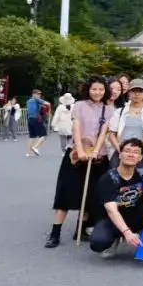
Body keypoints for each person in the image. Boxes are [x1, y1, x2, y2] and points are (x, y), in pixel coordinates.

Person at [46, 77, 112, 247]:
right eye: (94, 89)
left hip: (98, 156)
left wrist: (97, 150)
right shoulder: (79, 106)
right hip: (75, 154)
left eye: (101, 89)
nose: (97, 92)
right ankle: (55, 232)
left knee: (90, 194)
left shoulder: (108, 109)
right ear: (88, 90)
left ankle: (80, 229)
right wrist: (81, 150)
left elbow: (104, 132)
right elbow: (76, 127)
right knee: (66, 192)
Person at [90, 138, 143, 259]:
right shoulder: (108, 178)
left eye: (136, 152)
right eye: (127, 151)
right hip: (112, 219)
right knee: (98, 242)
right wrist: (127, 232)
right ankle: (115, 238)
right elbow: (112, 210)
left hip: (137, 215)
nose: (131, 154)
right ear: (120, 154)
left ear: (141, 158)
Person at [26, 88, 48, 157]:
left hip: (30, 119)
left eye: (39, 94)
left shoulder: (28, 101)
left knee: (31, 136)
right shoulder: (37, 100)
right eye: (37, 94)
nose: (39, 95)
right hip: (36, 119)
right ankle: (35, 147)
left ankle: (28, 153)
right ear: (33, 94)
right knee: (43, 135)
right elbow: (47, 103)